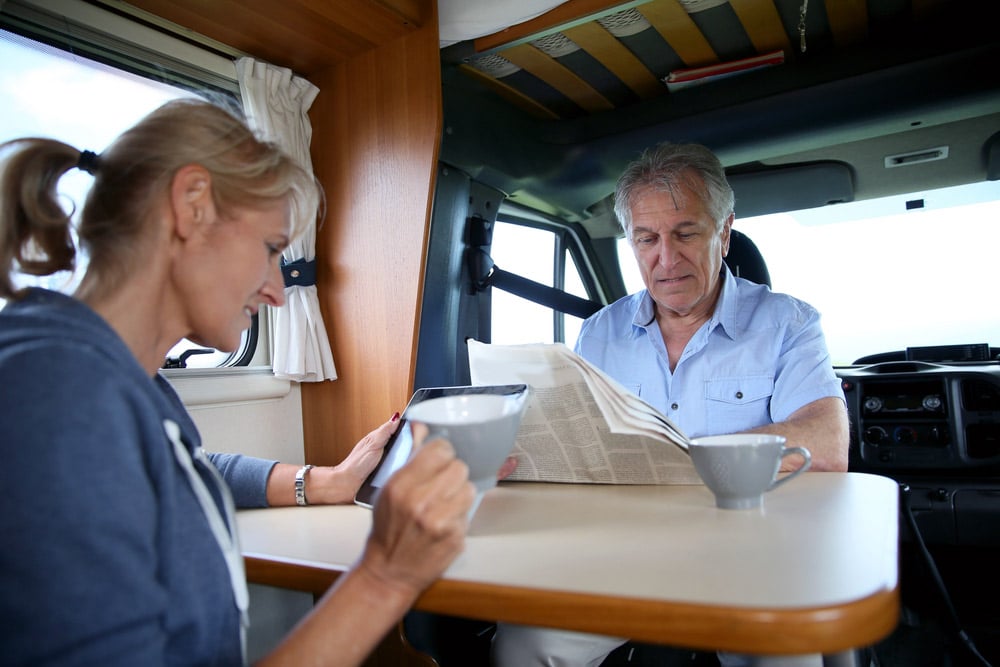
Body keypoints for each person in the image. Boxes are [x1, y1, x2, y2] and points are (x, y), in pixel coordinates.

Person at [0, 98, 476, 666]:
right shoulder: (60, 398)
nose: (278, 289)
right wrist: (385, 576)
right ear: (192, 204)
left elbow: (192, 471)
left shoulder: (114, 377)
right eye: (272, 248)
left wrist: (324, 481)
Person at [491, 142, 850, 667]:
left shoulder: (788, 323)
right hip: (621, 551)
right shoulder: (599, 332)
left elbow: (826, 446)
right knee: (526, 644)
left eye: (685, 233)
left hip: (752, 551)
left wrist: (680, 456)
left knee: (786, 659)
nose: (666, 257)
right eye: (647, 238)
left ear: (724, 233)